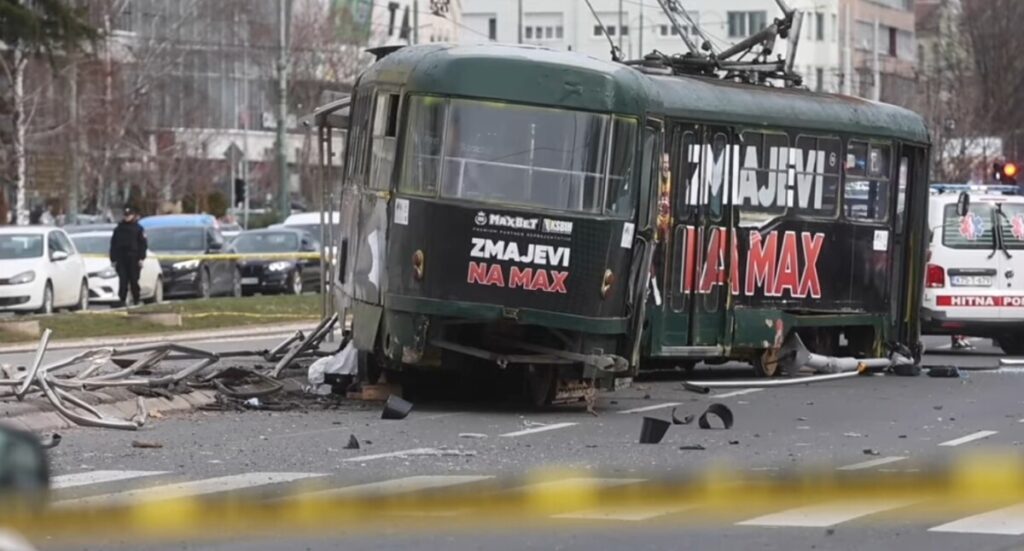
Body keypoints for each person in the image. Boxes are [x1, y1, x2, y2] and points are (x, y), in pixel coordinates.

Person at [109, 207, 147, 307]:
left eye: (129, 215)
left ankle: (136, 299)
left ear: (133, 216)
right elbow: (113, 245)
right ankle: (122, 299)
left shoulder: (138, 229)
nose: (127, 217)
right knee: (123, 280)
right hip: (121, 258)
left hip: (134, 258)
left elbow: (143, 244)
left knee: (134, 280)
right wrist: (113, 259)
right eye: (125, 215)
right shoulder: (118, 229)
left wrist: (141, 258)